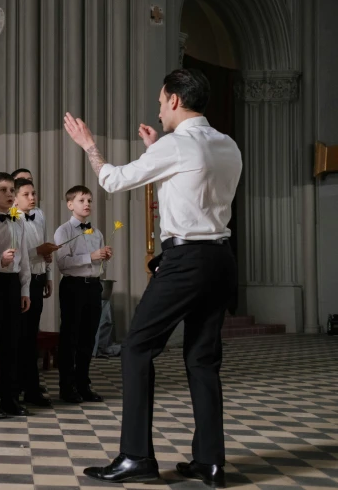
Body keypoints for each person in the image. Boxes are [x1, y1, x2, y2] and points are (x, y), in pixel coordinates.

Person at [68, 68, 241, 487]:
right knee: (202, 359)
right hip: (221, 260)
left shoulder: (178, 146)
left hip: (186, 262)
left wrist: (90, 146)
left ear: (176, 100)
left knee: (137, 348)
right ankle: (210, 462)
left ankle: (136, 456)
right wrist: (155, 149)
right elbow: (190, 183)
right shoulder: (227, 144)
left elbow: (112, 180)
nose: (159, 107)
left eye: (162, 101)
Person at [53, 186, 109, 404]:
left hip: (93, 286)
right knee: (70, 339)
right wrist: (91, 256)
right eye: (81, 200)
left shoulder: (97, 233)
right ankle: (67, 388)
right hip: (73, 287)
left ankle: (84, 385)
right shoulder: (63, 231)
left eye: (89, 200)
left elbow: (98, 263)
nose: (87, 204)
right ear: (70, 205)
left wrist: (103, 257)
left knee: (88, 339)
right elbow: (63, 263)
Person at [0, 172, 31, 418]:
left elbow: (24, 259)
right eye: (4, 190)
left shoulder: (19, 219)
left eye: (12, 190)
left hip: (12, 283)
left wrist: (25, 289)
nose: (10, 194)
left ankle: (10, 397)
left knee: (12, 342)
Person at [13, 177, 58, 407]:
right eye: (26, 194)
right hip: (23, 282)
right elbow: (17, 255)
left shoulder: (38, 215)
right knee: (22, 338)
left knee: (31, 335)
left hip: (39, 279)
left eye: (33, 193)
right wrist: (37, 251)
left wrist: (48, 273)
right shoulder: (12, 218)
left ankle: (28, 385)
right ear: (15, 197)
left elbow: (44, 247)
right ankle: (25, 387)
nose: (32, 198)